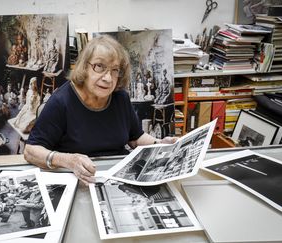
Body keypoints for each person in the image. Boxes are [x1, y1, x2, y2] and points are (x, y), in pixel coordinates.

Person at [24, 35, 177, 185]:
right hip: (78, 180)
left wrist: (159, 143)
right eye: (99, 67)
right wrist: (67, 160)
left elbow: (135, 138)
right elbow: (30, 151)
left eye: (115, 70)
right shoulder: (61, 101)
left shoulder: (120, 97)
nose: (108, 78)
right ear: (84, 67)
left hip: (118, 178)